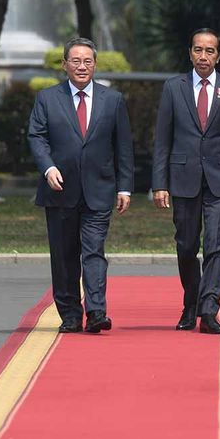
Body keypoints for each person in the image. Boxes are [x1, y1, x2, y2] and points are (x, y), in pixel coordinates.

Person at [28, 37, 134, 334]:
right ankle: (71, 314)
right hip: (59, 190)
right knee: (64, 256)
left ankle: (97, 311)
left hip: (99, 190)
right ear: (65, 65)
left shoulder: (112, 100)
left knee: (93, 251)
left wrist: (124, 187)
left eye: (87, 61)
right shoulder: (47, 99)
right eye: (76, 61)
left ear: (95, 65)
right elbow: (36, 137)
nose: (82, 66)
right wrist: (47, 167)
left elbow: (123, 146)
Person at [151, 28, 220, 334]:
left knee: (215, 245)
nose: (203, 56)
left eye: (210, 51)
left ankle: (209, 310)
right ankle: (191, 303)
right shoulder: (173, 87)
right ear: (190, 53)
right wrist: (159, 183)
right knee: (185, 245)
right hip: (183, 178)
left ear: (218, 56)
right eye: (198, 50)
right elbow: (162, 140)